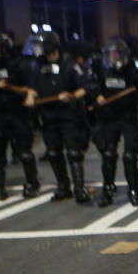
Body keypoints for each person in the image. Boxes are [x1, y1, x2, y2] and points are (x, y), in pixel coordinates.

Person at [29, 32, 91, 204]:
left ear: (51, 46)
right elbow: (33, 88)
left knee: (73, 152)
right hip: (48, 116)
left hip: (68, 115)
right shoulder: (38, 65)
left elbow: (84, 88)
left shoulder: (69, 63)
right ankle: (63, 187)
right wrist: (30, 96)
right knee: (53, 153)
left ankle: (79, 189)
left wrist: (71, 95)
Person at [0, 32, 40, 200]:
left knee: (24, 152)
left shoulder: (20, 64)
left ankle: (32, 184)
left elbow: (29, 89)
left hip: (18, 113)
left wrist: (9, 87)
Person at [95, 37, 138, 207]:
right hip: (109, 118)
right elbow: (94, 89)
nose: (116, 58)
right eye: (113, 55)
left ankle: (134, 191)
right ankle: (108, 190)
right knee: (109, 155)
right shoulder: (102, 71)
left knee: (130, 156)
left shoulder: (133, 72)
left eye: (119, 55)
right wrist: (98, 97)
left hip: (128, 117)